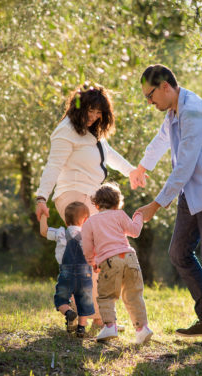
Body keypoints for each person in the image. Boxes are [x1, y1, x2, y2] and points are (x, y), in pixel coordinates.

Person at [132, 64, 202, 350]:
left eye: (150, 95)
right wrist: (142, 166)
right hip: (192, 194)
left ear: (166, 86)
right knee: (179, 253)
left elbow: (186, 165)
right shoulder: (173, 112)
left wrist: (155, 205)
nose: (149, 102)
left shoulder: (193, 111)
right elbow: (161, 141)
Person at [35, 83, 145, 329]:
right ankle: (96, 317)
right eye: (91, 111)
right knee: (91, 255)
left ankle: (93, 316)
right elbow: (52, 166)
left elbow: (110, 154)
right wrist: (41, 198)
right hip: (73, 196)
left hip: (91, 196)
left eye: (99, 113)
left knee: (94, 256)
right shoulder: (65, 131)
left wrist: (132, 172)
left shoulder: (92, 132)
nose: (94, 117)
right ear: (78, 106)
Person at [81, 184, 153, 345]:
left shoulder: (90, 222)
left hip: (110, 261)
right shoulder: (119, 215)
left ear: (97, 205)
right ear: (117, 203)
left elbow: (87, 247)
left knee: (106, 295)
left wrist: (92, 262)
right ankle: (142, 329)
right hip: (130, 258)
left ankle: (110, 326)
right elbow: (135, 231)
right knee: (134, 295)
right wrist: (139, 216)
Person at [40, 201, 93, 338]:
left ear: (66, 219)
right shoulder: (88, 235)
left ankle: (69, 312)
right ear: (86, 220)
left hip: (66, 273)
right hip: (85, 273)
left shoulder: (60, 232)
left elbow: (43, 231)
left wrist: (44, 215)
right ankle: (81, 328)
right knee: (84, 300)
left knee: (61, 299)